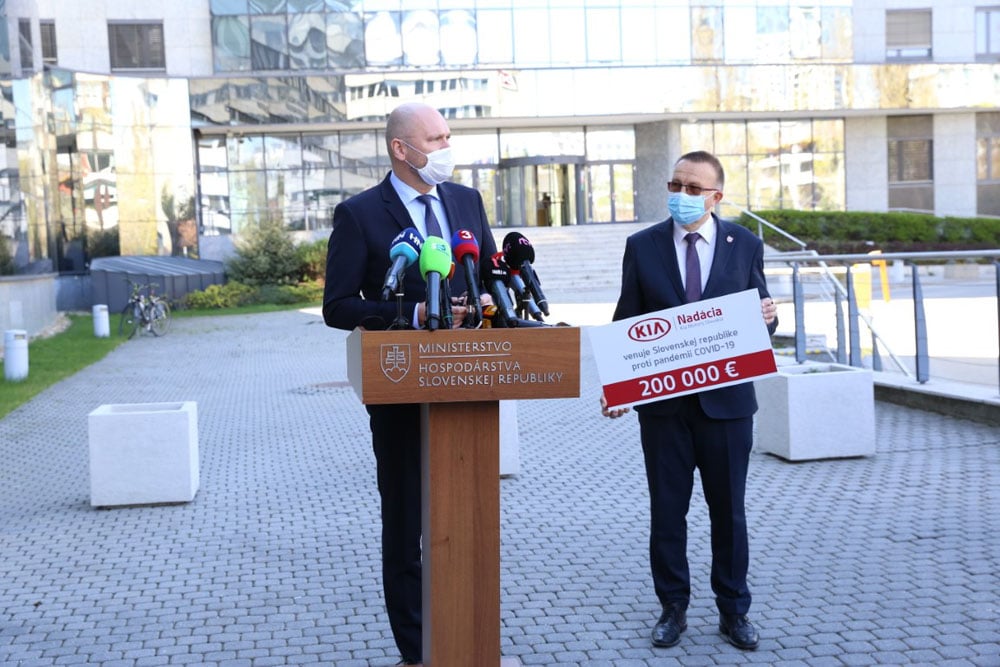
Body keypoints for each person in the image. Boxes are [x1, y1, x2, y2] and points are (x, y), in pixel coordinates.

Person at [322, 102, 497, 665]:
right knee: (406, 524)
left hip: (470, 383)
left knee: (466, 518)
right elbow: (337, 306)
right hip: (401, 390)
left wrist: (490, 299)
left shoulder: (466, 201)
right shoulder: (359, 214)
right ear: (402, 148)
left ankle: (468, 636)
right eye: (437, 138)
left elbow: (487, 273)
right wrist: (415, 315)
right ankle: (419, 649)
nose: (447, 147)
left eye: (448, 136)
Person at [601, 150, 778, 651]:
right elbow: (627, 321)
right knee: (667, 512)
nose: (681, 194)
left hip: (727, 406)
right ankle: (672, 608)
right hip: (664, 410)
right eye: (675, 185)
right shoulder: (642, 246)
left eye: (693, 188)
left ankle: (734, 611)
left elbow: (759, 320)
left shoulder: (745, 244)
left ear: (716, 196)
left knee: (730, 514)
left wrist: (768, 319)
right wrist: (616, 386)